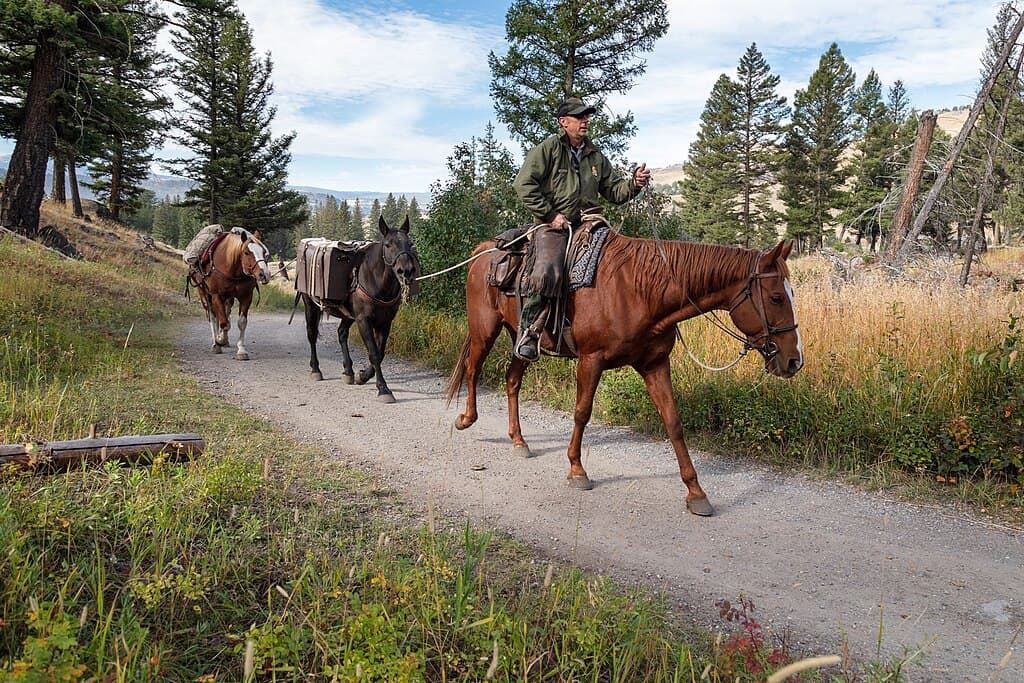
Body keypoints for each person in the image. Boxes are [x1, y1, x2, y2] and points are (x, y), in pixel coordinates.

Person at [511, 96, 652, 361]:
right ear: (563, 122)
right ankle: (529, 332)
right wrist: (551, 215)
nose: (585, 120)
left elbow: (614, 190)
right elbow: (523, 185)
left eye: (586, 116)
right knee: (548, 269)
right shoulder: (548, 149)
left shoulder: (595, 155)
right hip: (553, 226)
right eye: (579, 117)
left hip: (590, 223)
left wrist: (634, 183)